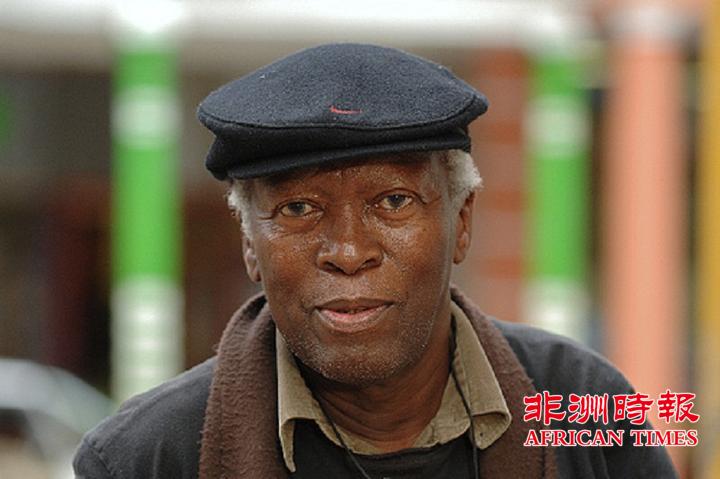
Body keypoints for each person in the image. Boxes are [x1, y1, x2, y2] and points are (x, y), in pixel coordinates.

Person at [73, 43, 677, 478]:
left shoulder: (585, 408)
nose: (348, 252)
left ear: (461, 222)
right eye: (298, 209)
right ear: (250, 245)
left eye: (393, 201)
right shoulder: (147, 458)